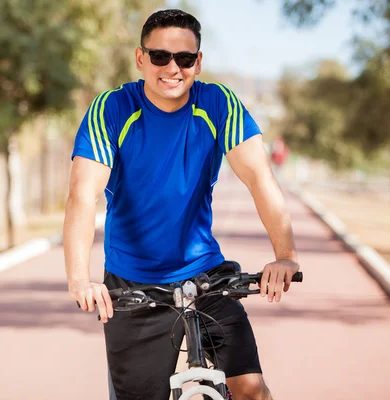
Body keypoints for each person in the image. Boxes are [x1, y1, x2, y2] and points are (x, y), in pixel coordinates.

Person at [63, 9, 300, 400]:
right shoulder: (112, 109)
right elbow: (82, 196)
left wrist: (285, 255)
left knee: (251, 389)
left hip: (205, 274)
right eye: (160, 56)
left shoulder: (217, 103)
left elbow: (260, 179)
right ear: (141, 59)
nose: (173, 68)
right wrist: (79, 279)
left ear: (198, 62)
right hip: (133, 284)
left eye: (185, 59)